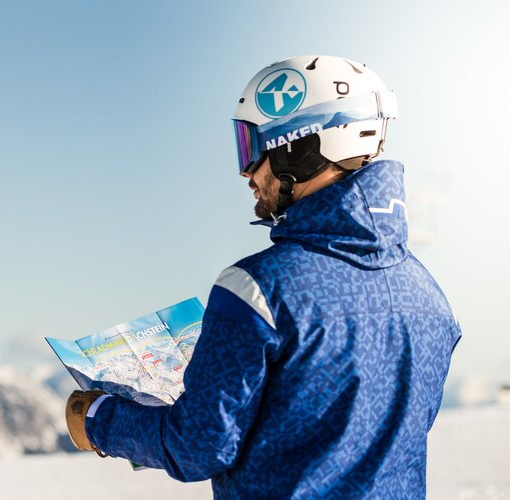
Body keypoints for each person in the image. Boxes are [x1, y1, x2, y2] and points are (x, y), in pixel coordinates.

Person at [64, 55, 462, 498]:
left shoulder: (258, 289)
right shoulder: (429, 296)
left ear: (301, 148)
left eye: (253, 148)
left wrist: (97, 419)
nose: (245, 172)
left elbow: (197, 447)